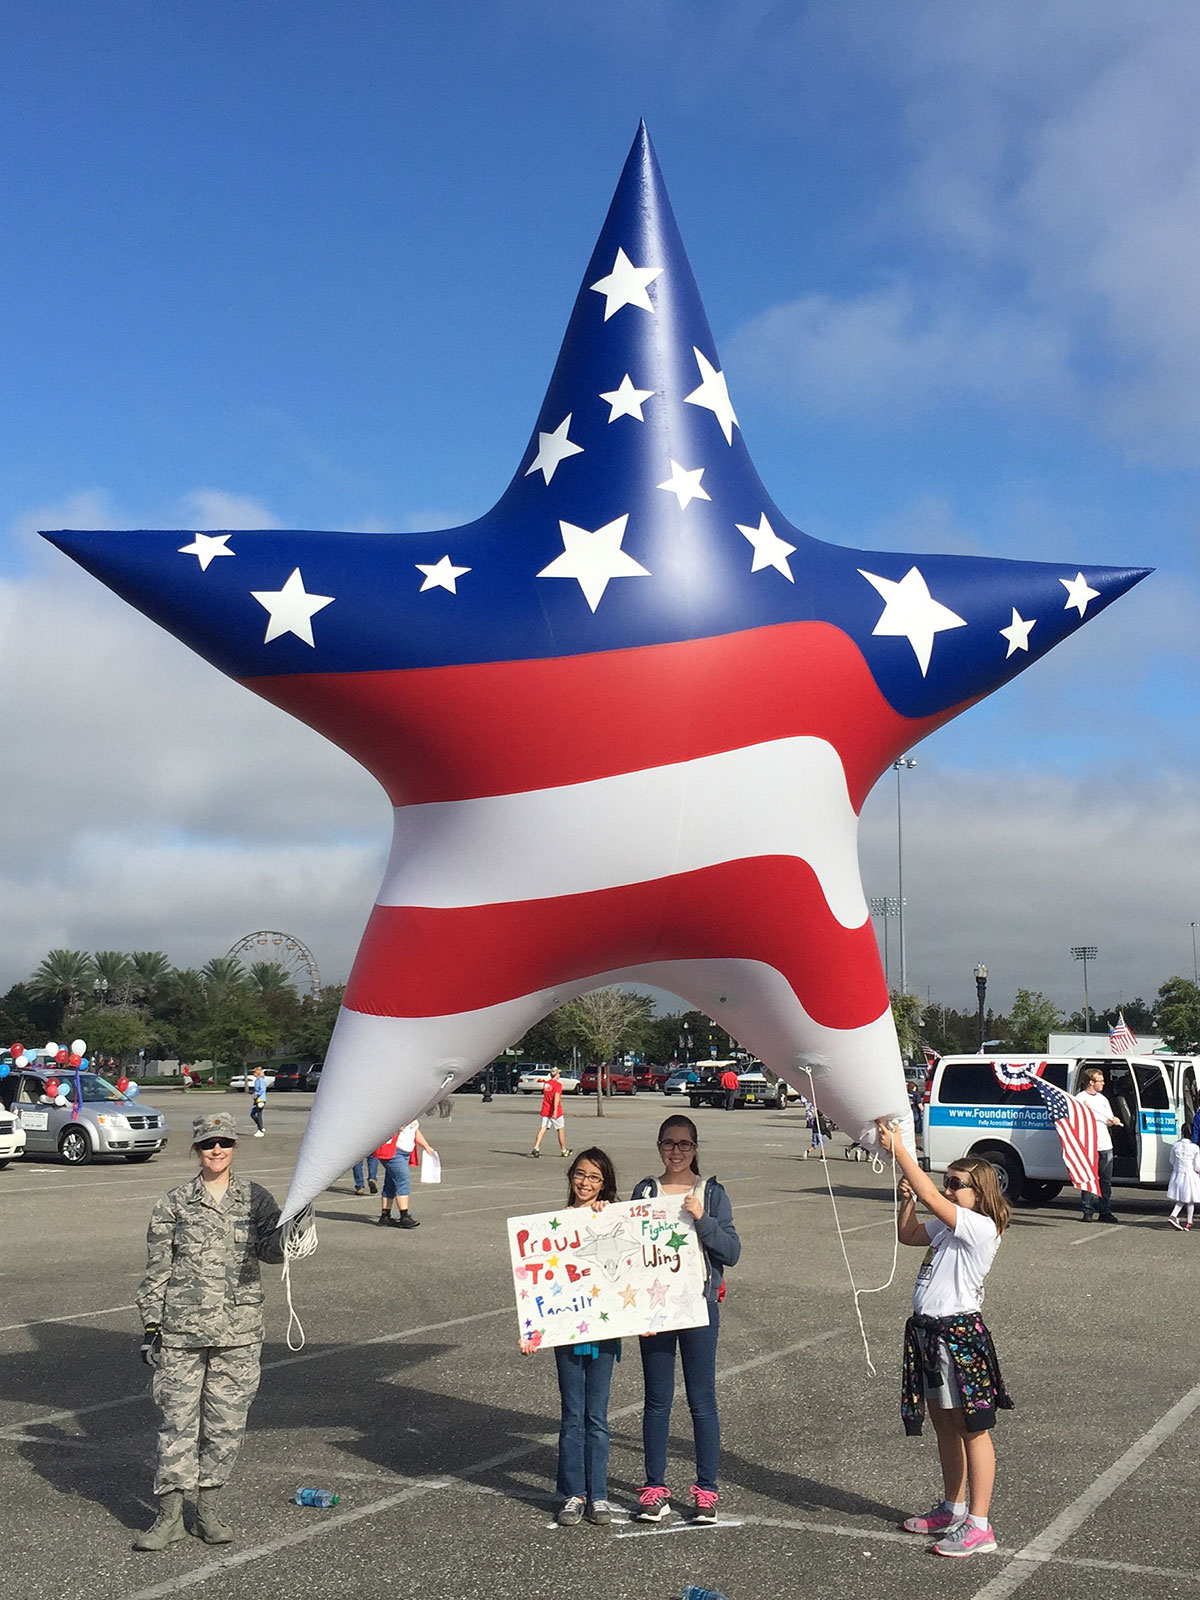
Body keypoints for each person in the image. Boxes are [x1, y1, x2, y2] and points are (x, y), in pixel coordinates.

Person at [133, 1112, 292, 1550]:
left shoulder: (256, 1199)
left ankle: (206, 1511)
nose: (216, 1150)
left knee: (225, 1424)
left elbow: (271, 1252)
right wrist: (151, 1325)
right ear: (197, 1150)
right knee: (175, 1422)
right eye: (207, 1144)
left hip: (239, 1331)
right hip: (182, 1332)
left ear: (234, 1146)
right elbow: (157, 1270)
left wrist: (297, 1224)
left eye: (223, 1142)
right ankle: (168, 1517)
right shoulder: (175, 1203)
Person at [877, 1120, 1013, 1560]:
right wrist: (906, 1203)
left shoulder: (980, 1226)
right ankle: (953, 1508)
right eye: (946, 1182)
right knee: (944, 1425)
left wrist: (900, 1148)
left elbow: (936, 1203)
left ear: (980, 1192)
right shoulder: (947, 1227)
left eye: (957, 1184)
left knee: (973, 1429)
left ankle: (979, 1524)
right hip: (931, 1337)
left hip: (958, 1337)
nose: (948, 1190)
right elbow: (909, 1234)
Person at [630, 1113, 740, 1526]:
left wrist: (702, 1218)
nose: (676, 1152)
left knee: (701, 1400)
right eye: (668, 1144)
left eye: (684, 1144)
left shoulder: (710, 1193)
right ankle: (654, 1487)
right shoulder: (645, 1190)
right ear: (658, 1146)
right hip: (655, 1310)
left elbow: (731, 1251)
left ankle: (706, 1490)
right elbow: (626, 1245)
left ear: (696, 1148)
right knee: (656, 1401)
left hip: (698, 1306)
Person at [519, 1148, 621, 1526]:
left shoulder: (611, 1219)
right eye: (580, 1174)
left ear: (605, 1184)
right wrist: (532, 1331)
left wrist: (606, 1214)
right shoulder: (554, 1225)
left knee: (597, 1417)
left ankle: (599, 1495)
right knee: (572, 1416)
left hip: (605, 1334)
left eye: (594, 1177)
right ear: (570, 1176)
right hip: (566, 1333)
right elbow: (538, 1284)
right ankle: (571, 1494)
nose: (586, 1183)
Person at [1075, 1068, 1121, 1223]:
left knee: (1105, 1181)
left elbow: (1108, 1120)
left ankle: (1105, 1211)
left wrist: (1112, 1120)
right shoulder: (1080, 1099)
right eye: (1100, 1081)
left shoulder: (1102, 1099)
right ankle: (1087, 1211)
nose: (1103, 1083)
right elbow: (1076, 1120)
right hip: (1088, 1144)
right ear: (1091, 1082)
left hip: (1104, 1144)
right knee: (1089, 1178)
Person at [373, 1119, 436, 1228]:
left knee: (391, 1182)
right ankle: (404, 1216)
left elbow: (415, 1131)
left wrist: (426, 1146)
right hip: (394, 1151)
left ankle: (385, 1216)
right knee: (403, 1180)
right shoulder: (398, 1112)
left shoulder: (413, 1113)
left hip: (404, 1153)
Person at [531, 1066, 570, 1158]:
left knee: (543, 1128)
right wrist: (555, 1110)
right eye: (558, 1073)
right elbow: (556, 1098)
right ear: (556, 1074)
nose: (559, 1075)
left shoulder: (547, 1084)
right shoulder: (558, 1085)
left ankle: (536, 1147)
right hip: (554, 1110)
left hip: (545, 1109)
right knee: (560, 1129)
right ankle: (563, 1150)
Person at [1167, 1128, 1200, 1230]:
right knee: (1187, 1198)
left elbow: (1171, 1160)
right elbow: (1197, 1165)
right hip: (1190, 1175)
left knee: (1187, 1198)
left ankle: (1189, 1222)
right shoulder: (1194, 1148)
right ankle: (1174, 1216)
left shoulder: (1175, 1145)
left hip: (1177, 1174)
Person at [248, 1068, 267, 1138]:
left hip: (261, 1100)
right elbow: (256, 1089)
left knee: (258, 1114)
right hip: (257, 1100)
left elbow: (262, 1090)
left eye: (254, 1072)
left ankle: (260, 1130)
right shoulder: (257, 1080)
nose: (253, 1074)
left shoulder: (261, 1080)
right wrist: (252, 1092)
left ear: (258, 1073)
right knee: (253, 1114)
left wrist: (257, 1094)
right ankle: (261, 1127)